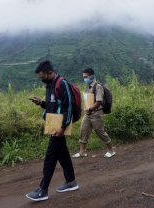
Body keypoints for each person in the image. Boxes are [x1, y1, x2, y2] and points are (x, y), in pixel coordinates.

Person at [26, 61, 78, 202]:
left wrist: (63, 127)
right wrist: (41, 103)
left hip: (59, 126)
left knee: (50, 157)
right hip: (53, 124)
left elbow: (69, 108)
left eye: (42, 76)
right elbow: (53, 105)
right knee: (62, 154)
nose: (41, 79)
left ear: (49, 73)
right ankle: (71, 181)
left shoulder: (62, 83)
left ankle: (43, 189)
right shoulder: (49, 85)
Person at [72, 68, 116, 158]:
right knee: (83, 130)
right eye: (84, 77)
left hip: (96, 113)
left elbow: (99, 101)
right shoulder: (87, 87)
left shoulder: (98, 86)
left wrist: (90, 109)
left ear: (91, 76)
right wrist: (86, 108)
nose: (84, 79)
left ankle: (111, 150)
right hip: (88, 113)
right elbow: (87, 100)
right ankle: (82, 152)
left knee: (100, 131)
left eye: (86, 77)